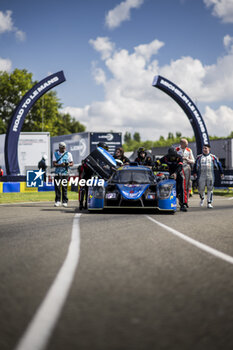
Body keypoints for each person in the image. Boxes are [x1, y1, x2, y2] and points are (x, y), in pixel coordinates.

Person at [155, 147, 188, 212]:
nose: (173, 158)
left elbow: (180, 167)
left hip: (179, 173)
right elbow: (158, 162)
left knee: (181, 188)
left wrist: (175, 173)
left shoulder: (179, 157)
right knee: (170, 188)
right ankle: (168, 203)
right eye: (171, 156)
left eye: (174, 156)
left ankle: (183, 204)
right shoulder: (165, 158)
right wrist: (154, 164)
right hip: (170, 174)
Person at [193, 144, 224, 209]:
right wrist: (194, 173)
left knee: (210, 189)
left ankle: (209, 203)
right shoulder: (199, 157)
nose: (204, 149)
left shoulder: (213, 157)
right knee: (201, 189)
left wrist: (221, 173)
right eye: (203, 148)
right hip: (201, 175)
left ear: (209, 149)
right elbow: (195, 165)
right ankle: (202, 197)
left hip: (210, 175)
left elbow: (219, 164)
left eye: (205, 148)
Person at [53, 142, 73, 207]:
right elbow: (54, 164)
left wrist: (68, 164)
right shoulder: (55, 154)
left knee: (64, 187)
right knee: (57, 187)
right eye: (62, 148)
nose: (63, 149)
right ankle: (57, 201)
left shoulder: (68, 154)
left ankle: (65, 201)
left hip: (65, 173)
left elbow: (72, 163)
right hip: (57, 173)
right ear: (59, 148)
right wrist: (60, 165)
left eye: (64, 148)